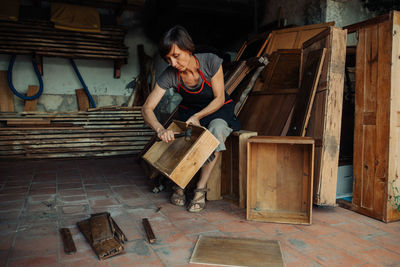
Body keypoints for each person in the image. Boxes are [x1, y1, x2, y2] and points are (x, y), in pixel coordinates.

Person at [142, 25, 240, 212]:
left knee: (217, 131)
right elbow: (147, 108)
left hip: (217, 110)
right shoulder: (170, 75)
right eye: (168, 58)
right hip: (190, 112)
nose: (172, 63)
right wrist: (160, 129)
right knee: (185, 137)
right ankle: (180, 183)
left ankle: (200, 188)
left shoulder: (211, 62)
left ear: (188, 49)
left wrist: (198, 116)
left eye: (176, 56)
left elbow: (219, 98)